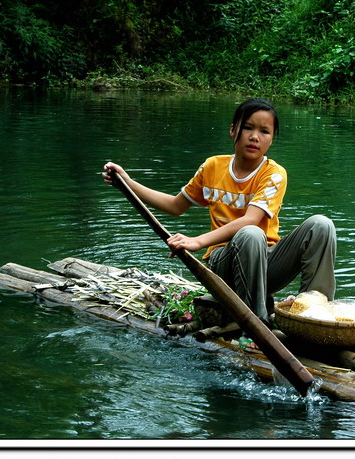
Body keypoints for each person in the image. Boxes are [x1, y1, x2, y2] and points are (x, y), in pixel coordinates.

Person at [103, 98, 336, 325]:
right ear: (233, 130)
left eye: (264, 132)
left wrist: (197, 241)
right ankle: (257, 322)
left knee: (321, 225)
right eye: (247, 128)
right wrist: (127, 183)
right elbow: (175, 206)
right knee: (250, 234)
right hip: (223, 264)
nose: (255, 137)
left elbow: (252, 219)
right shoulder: (213, 167)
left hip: (265, 265)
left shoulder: (274, 174)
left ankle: (314, 314)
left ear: (272, 139)